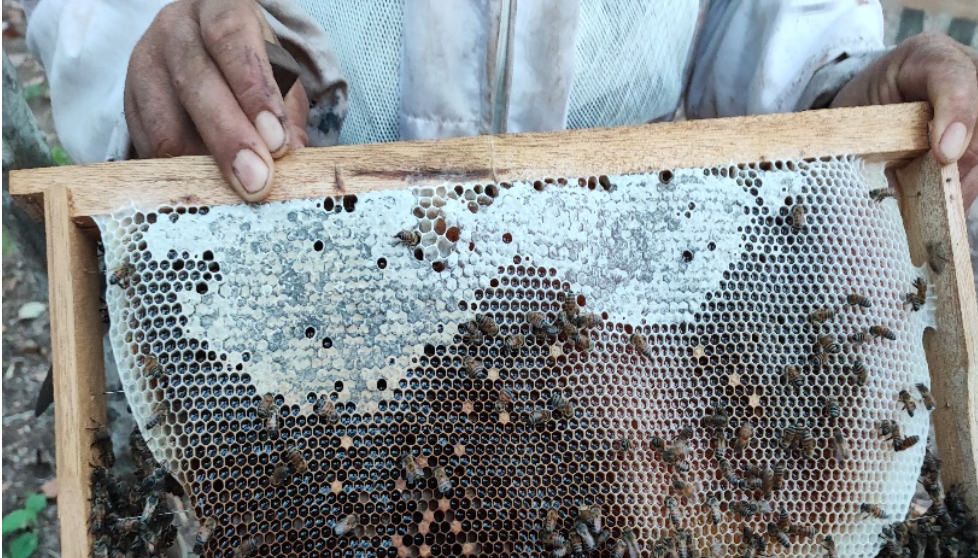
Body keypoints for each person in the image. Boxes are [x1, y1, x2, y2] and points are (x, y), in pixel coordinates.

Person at [23, 0, 977, 208]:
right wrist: (160, 51)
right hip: (286, 337)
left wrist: (856, 100)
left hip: (629, 372)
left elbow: (771, 36)